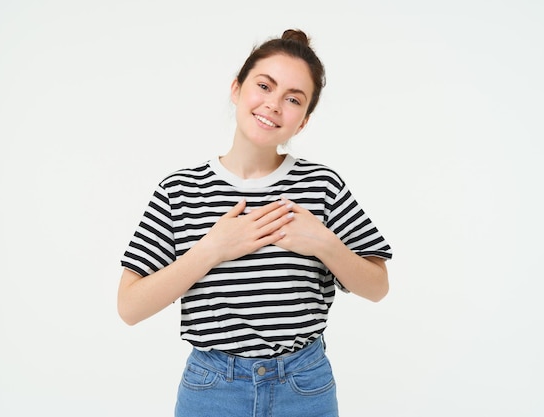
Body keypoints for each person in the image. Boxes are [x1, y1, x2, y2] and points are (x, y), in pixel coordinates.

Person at [117, 28, 393, 417]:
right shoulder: (179, 191)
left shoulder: (322, 186)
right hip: (211, 389)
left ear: (304, 121)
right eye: (264, 85)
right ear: (236, 89)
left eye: (293, 99)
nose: (274, 105)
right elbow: (129, 307)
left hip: (304, 386)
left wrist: (324, 243)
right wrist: (212, 249)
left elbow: (377, 286)